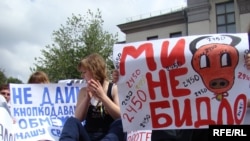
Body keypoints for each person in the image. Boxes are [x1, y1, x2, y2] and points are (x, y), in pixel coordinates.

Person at [59, 53, 125, 141]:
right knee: (72, 121)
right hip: (88, 136)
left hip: (108, 135)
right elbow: (78, 118)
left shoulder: (113, 88)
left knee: (120, 123)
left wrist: (103, 97)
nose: (82, 76)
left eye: (84, 72)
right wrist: (87, 98)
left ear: (94, 71)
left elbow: (121, 116)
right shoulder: (83, 91)